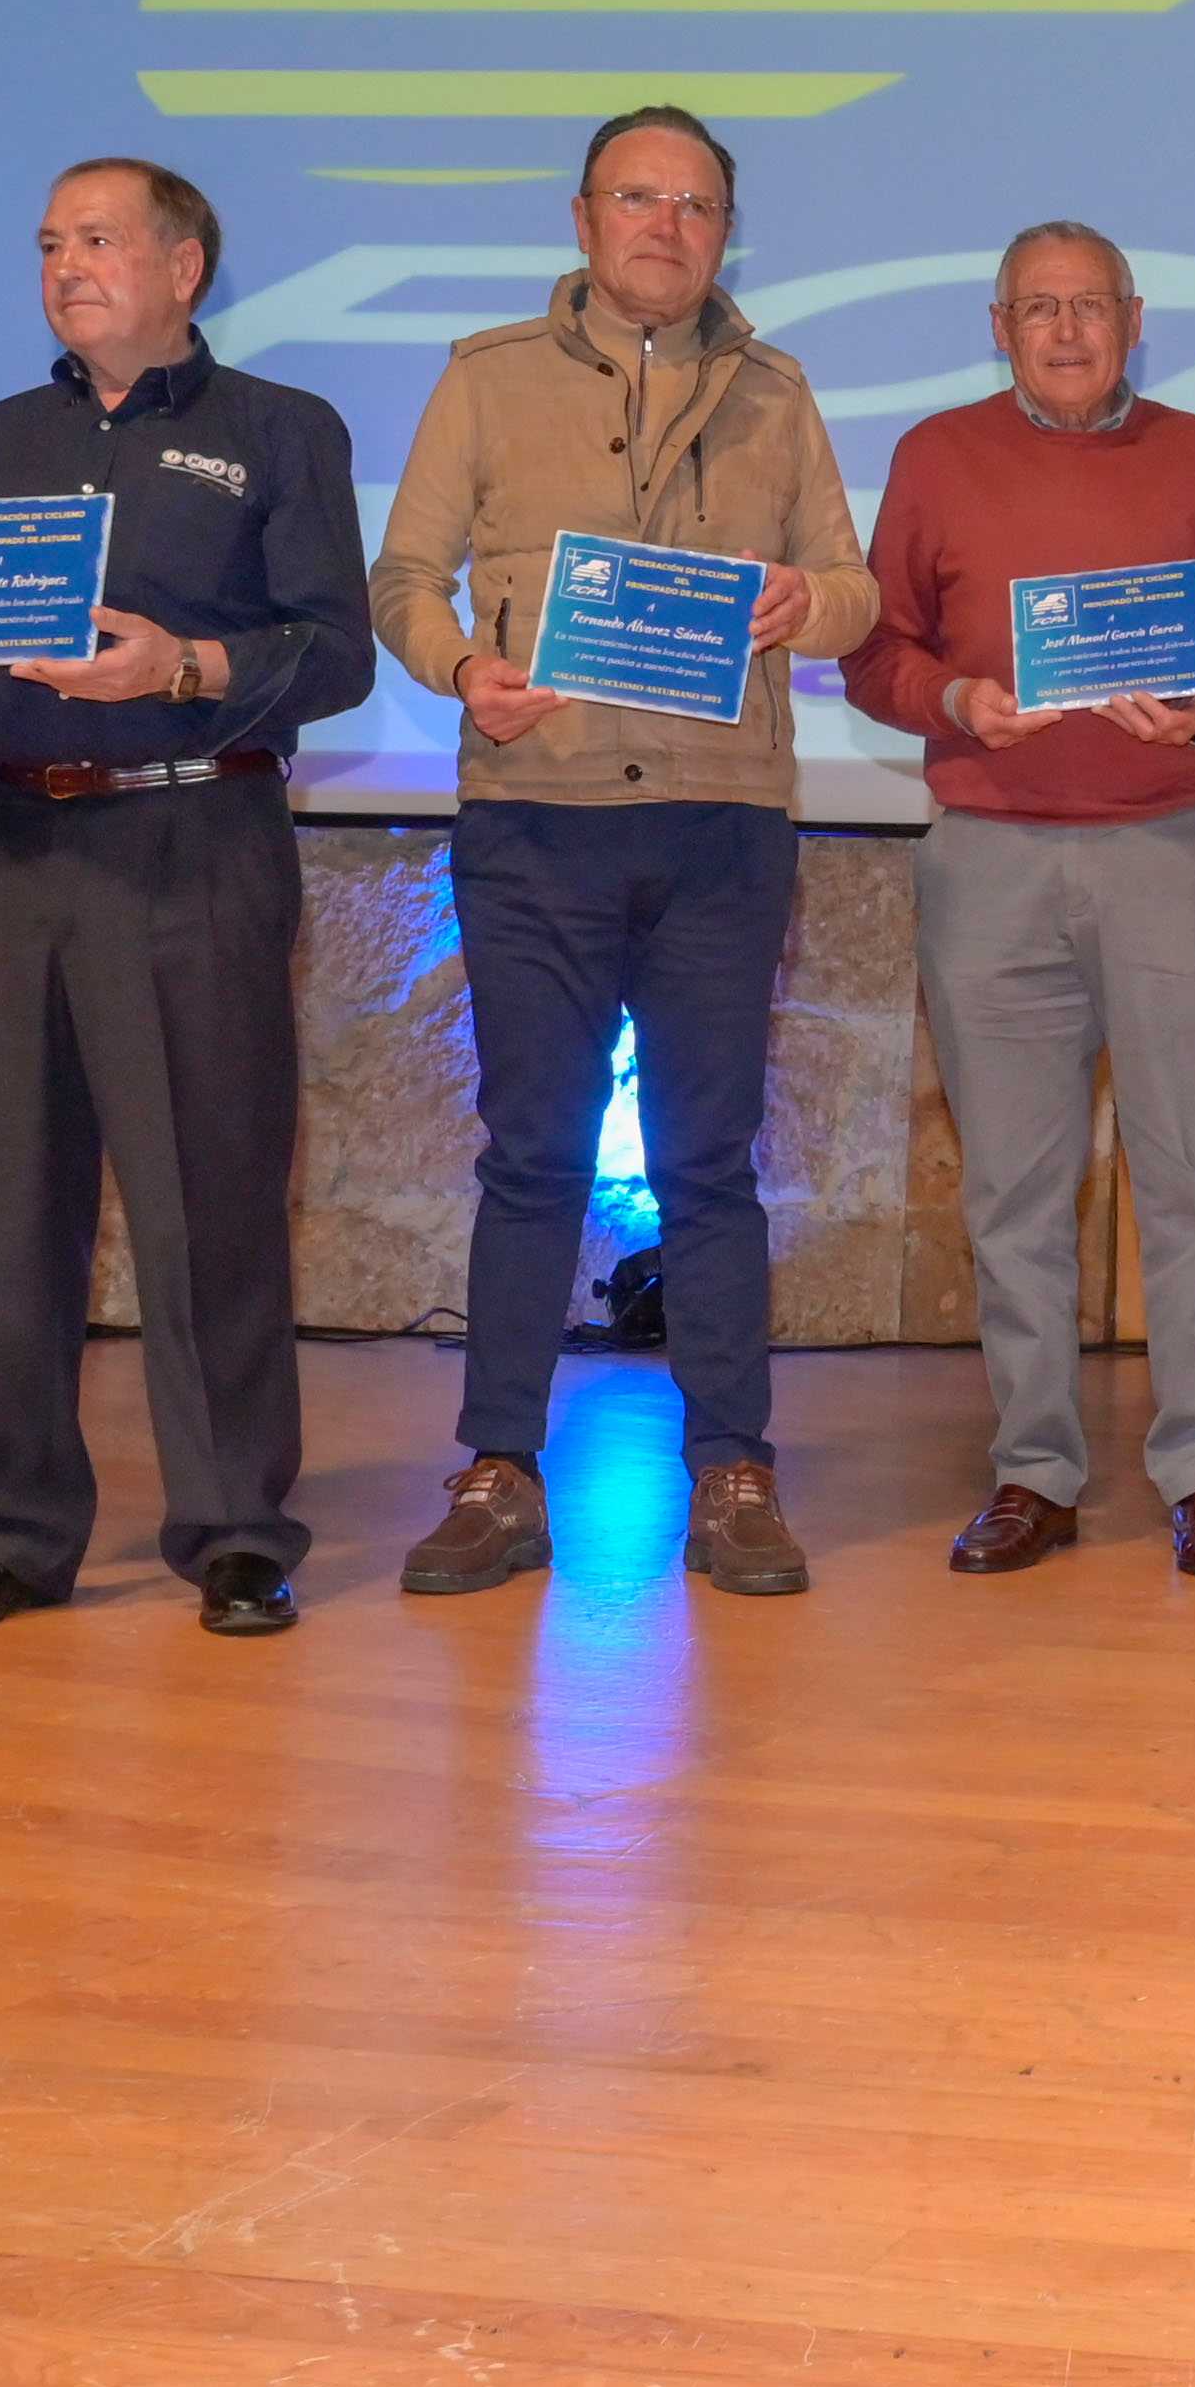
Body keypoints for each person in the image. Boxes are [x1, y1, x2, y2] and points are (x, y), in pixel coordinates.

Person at [0, 160, 374, 1640]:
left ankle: (234, 1529)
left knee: (209, 1203)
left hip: (192, 847)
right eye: (47, 243)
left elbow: (336, 655)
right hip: (13, 853)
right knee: (4, 1207)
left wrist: (185, 668)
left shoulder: (277, 428)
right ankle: (8, 1531)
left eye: (97, 238)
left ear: (184, 260)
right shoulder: (4, 435)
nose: (66, 263)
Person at [371, 105, 875, 1600]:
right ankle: (498, 1466)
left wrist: (805, 605)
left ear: (727, 231)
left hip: (724, 824)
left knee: (711, 1163)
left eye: (698, 203)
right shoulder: (484, 380)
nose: (667, 224)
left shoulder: (780, 392)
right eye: (638, 197)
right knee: (530, 1154)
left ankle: (732, 1466)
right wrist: (465, 668)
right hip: (539, 820)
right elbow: (404, 574)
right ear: (583, 218)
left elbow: (852, 587)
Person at [839, 223, 1195, 1577]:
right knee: (1013, 1192)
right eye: (1038, 307)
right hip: (989, 856)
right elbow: (878, 649)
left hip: (1168, 847)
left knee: (1186, 1177)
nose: (1064, 329)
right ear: (1000, 324)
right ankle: (1035, 1467)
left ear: (1133, 318)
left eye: (1089, 306)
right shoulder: (937, 454)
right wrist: (954, 698)